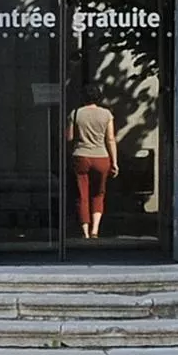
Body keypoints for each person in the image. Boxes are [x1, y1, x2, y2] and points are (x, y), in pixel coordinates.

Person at [65, 84, 119, 239]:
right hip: (101, 156)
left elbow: (69, 138)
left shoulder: (75, 113)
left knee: (81, 195)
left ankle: (84, 231)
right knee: (98, 193)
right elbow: (110, 139)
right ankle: (95, 229)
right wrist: (114, 162)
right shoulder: (106, 114)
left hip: (81, 156)